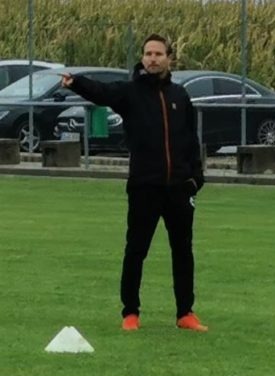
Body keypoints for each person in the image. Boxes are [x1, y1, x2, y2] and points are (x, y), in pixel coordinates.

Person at [62, 34, 207, 331]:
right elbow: (102, 92)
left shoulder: (180, 96)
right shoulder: (131, 93)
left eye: (158, 53)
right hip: (144, 186)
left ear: (169, 58)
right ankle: (130, 312)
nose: (152, 58)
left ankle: (185, 313)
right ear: (142, 58)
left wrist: (195, 178)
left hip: (179, 188)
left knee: (183, 251)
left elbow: (192, 140)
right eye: (148, 53)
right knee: (136, 249)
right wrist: (76, 83)